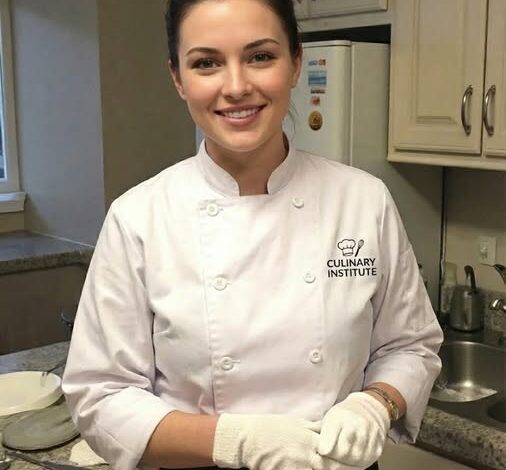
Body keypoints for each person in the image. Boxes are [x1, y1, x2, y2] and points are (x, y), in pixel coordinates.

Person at [62, 1, 444, 469]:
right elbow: (101, 396)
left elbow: (410, 345)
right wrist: (238, 440)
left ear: (295, 63)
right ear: (178, 78)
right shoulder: (138, 218)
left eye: (260, 56)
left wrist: (375, 404)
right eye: (206, 63)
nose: (237, 86)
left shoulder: (364, 200)